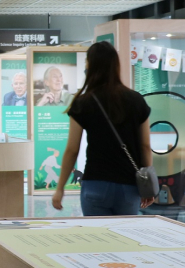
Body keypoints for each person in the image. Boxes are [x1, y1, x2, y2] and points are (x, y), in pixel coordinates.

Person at [51, 41, 154, 216]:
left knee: (97, 240)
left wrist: (60, 188)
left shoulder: (83, 102)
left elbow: (72, 149)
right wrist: (148, 185)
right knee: (125, 239)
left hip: (95, 184)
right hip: (128, 186)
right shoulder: (136, 100)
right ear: (115, 66)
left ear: (91, 67)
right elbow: (145, 146)